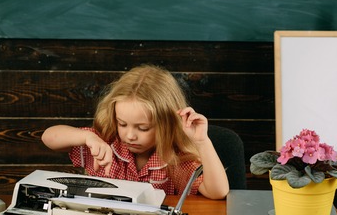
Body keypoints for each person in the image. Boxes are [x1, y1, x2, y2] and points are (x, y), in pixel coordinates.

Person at [41, 65, 229, 200]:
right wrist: (87, 137)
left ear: (167, 124)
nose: (130, 135)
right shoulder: (104, 143)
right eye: (123, 124)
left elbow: (218, 192)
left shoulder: (175, 159)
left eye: (143, 128)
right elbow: (48, 137)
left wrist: (202, 142)